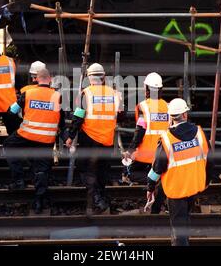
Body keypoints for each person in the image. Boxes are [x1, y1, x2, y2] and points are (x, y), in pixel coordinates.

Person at [147, 98, 212, 246]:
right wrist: (206, 181)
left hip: (176, 191)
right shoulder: (200, 134)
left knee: (179, 229)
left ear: (171, 118)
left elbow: (157, 168)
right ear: (185, 114)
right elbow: (210, 160)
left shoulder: (166, 139)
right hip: (194, 187)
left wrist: (150, 187)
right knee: (185, 221)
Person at [4, 68, 67, 213]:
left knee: (8, 145)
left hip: (26, 136)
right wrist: (66, 138)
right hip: (46, 139)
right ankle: (39, 201)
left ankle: (19, 180)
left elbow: (10, 112)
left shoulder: (28, 93)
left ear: (36, 79)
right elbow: (61, 122)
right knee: (42, 169)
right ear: (50, 79)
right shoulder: (57, 96)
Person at [65, 63, 122, 213]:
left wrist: (70, 136)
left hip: (90, 138)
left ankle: (96, 198)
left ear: (89, 77)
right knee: (102, 170)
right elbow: (119, 114)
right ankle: (102, 196)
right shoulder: (114, 93)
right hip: (107, 139)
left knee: (85, 168)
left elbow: (78, 117)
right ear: (103, 77)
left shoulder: (87, 93)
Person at [121, 72, 168, 213]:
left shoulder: (143, 107)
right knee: (163, 175)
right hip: (163, 154)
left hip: (145, 154)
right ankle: (158, 183)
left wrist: (130, 151)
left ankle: (152, 181)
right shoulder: (168, 106)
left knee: (128, 173)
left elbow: (139, 132)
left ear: (146, 88)